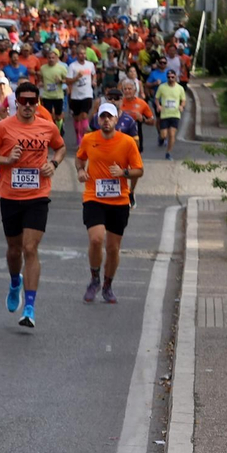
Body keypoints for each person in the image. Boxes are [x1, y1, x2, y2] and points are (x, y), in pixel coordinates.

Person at [0, 81, 67, 329]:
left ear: (37, 102)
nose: (28, 106)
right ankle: (14, 281)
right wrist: (6, 160)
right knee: (14, 249)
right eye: (23, 101)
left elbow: (60, 148)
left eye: (32, 101)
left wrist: (55, 164)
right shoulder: (3, 127)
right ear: (16, 102)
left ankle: (29, 307)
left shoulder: (47, 127)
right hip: (10, 196)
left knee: (30, 248)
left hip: (38, 195)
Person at [76, 103, 145, 305]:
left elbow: (139, 170)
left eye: (110, 117)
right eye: (103, 116)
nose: (106, 120)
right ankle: (95, 278)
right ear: (98, 119)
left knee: (113, 248)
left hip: (119, 200)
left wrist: (123, 173)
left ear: (116, 120)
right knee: (96, 240)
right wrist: (80, 171)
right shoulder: (89, 139)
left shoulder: (127, 142)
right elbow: (79, 159)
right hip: (93, 198)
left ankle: (107, 284)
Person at [66, 43, 98, 144]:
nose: (82, 55)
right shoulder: (72, 66)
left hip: (87, 94)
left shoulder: (90, 64)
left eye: (84, 54)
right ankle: (78, 135)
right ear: (77, 54)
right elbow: (68, 81)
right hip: (75, 95)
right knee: (77, 118)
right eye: (80, 54)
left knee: (84, 115)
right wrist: (76, 78)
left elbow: (94, 74)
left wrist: (94, 81)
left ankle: (84, 138)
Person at [154, 71, 187, 160]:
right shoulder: (162, 87)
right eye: (169, 77)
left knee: (172, 134)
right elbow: (156, 98)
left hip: (175, 114)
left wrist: (181, 106)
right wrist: (158, 106)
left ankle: (168, 152)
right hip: (164, 114)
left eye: (172, 77)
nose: (170, 79)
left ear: (175, 77)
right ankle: (161, 138)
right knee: (164, 135)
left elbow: (183, 100)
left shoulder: (180, 88)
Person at [37, 48, 69, 130]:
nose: (51, 59)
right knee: (48, 115)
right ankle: (51, 130)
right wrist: (40, 83)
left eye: (53, 58)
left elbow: (68, 80)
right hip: (47, 96)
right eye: (49, 58)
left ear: (57, 58)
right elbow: (40, 79)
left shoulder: (61, 68)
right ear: (47, 58)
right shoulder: (43, 68)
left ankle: (58, 129)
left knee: (58, 116)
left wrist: (61, 81)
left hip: (58, 96)